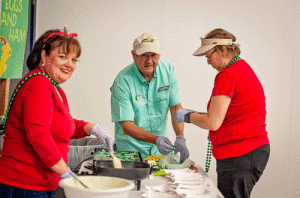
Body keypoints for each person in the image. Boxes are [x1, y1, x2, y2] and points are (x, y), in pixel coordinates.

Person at [0, 27, 114, 198]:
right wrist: (65, 171)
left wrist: (92, 128)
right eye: (63, 57)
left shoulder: (53, 87)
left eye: (74, 59)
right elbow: (39, 136)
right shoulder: (38, 84)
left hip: (40, 183)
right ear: (44, 56)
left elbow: (63, 125)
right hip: (25, 185)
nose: (70, 64)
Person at [175, 28, 270, 198]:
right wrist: (196, 114)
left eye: (208, 56)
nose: (208, 62)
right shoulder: (242, 69)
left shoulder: (227, 75)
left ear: (220, 50)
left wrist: (188, 116)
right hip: (250, 151)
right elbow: (227, 114)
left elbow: (213, 122)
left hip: (240, 154)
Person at [110, 33, 189, 162]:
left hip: (160, 151)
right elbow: (127, 125)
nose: (149, 61)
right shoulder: (122, 81)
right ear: (134, 55)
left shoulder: (168, 71)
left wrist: (180, 137)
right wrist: (155, 139)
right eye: (144, 55)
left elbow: (175, 108)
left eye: (153, 55)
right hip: (131, 153)